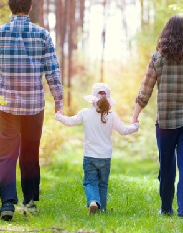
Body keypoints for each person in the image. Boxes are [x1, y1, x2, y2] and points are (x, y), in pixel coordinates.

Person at [0, 0, 64, 221]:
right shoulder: (42, 35)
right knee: (29, 153)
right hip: (34, 107)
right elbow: (52, 71)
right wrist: (58, 100)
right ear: (30, 8)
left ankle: (7, 202)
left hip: (6, 106)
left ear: (10, 8)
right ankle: (29, 202)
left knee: (6, 155)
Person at [131, 15, 183, 218]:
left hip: (166, 124)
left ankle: (166, 208)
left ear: (166, 35)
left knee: (166, 166)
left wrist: (135, 116)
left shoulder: (158, 58)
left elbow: (145, 89)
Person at [55, 83, 140, 215]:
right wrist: (135, 126)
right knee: (103, 184)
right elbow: (124, 130)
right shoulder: (111, 115)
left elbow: (70, 122)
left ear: (93, 99)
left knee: (90, 182)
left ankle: (93, 201)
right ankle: (102, 210)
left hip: (90, 156)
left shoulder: (85, 113)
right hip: (105, 157)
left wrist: (59, 116)